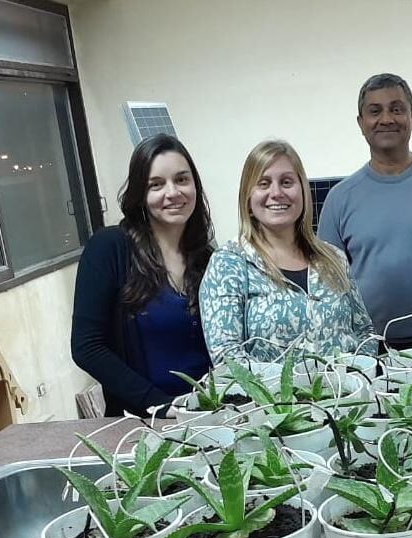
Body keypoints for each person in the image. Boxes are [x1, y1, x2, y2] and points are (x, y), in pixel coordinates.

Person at [71, 134, 215, 417]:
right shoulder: (110, 248)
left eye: (182, 180)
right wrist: (161, 405)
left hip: (210, 414)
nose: (173, 192)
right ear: (140, 193)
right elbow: (87, 347)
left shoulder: (207, 258)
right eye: (156, 184)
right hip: (142, 421)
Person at [200, 140, 373, 362]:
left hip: (348, 384)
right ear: (248, 197)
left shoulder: (334, 258)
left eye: (287, 182)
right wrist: (296, 382)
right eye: (263, 183)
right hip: (271, 387)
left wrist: (358, 374)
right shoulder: (228, 265)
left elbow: (365, 332)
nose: (276, 193)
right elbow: (227, 357)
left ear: (302, 191)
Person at [319, 73, 412, 347]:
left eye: (396, 109)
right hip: (367, 347)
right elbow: (327, 285)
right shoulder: (339, 199)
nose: (386, 119)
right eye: (375, 111)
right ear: (361, 123)